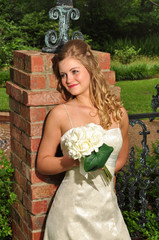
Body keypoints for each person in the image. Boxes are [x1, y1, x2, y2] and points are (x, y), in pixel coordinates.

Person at [37, 39, 131, 240]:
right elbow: (43, 163)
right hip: (71, 216)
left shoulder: (118, 113)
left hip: (108, 214)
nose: (68, 79)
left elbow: (121, 158)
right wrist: (74, 161)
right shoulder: (60, 114)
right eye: (63, 74)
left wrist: (101, 169)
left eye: (74, 71)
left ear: (90, 68)